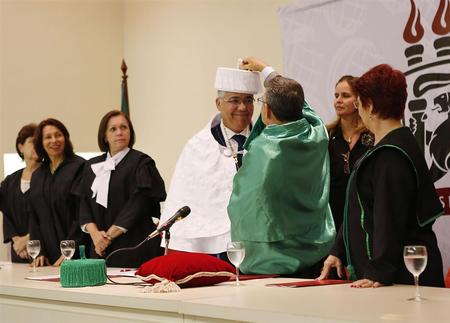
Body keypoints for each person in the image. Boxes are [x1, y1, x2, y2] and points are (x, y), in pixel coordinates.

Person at [319, 64, 444, 288]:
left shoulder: (390, 154)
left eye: (359, 102)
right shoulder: (398, 144)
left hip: (401, 280)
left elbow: (389, 217)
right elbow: (362, 210)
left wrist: (379, 271)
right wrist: (340, 250)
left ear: (371, 106)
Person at [228, 58, 335, 275]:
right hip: (316, 249)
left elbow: (243, 205)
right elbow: (300, 103)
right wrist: (266, 70)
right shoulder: (317, 134)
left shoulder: (263, 149)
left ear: (266, 111)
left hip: (271, 259)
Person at [159, 66, 261, 257]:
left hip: (260, 243)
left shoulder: (266, 142)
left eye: (248, 100)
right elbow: (182, 198)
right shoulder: (197, 147)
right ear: (218, 103)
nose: (242, 107)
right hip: (214, 246)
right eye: (234, 100)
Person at [76, 110, 166, 268]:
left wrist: (107, 237)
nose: (119, 132)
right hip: (99, 249)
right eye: (113, 129)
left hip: (134, 246)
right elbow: (84, 204)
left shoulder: (141, 163)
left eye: (124, 127)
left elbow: (137, 205)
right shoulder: (91, 166)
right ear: (105, 136)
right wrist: (96, 235)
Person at [29, 118, 86, 267]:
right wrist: (39, 253)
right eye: (48, 137)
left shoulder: (80, 167)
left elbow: (82, 213)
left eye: (58, 135)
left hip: (75, 254)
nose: (54, 140)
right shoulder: (37, 175)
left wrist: (68, 251)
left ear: (65, 137)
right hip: (46, 259)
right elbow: (34, 217)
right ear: (40, 143)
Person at [327, 76, 373, 230]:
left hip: (365, 219)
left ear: (358, 100)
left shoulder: (373, 136)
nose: (338, 100)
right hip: (333, 221)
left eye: (345, 96)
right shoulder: (326, 135)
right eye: (336, 95)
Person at [1, 124, 40, 263]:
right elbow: (7, 212)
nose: (36, 145)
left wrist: (28, 239)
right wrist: (17, 240)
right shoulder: (10, 181)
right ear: (21, 147)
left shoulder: (48, 178)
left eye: (38, 142)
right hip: (18, 250)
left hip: (42, 248)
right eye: (31, 141)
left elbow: (48, 216)